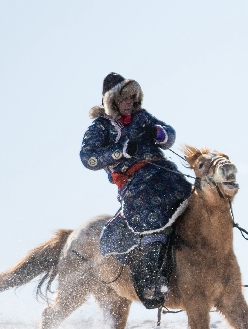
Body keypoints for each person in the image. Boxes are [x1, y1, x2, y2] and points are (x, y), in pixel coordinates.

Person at [80, 73, 193, 308]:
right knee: (153, 208)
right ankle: (150, 276)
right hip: (135, 183)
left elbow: (169, 134)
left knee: (195, 198)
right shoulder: (100, 126)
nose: (130, 103)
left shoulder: (141, 118)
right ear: (112, 101)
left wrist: (160, 133)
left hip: (164, 172)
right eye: (125, 99)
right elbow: (88, 158)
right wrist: (120, 151)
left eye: (133, 98)